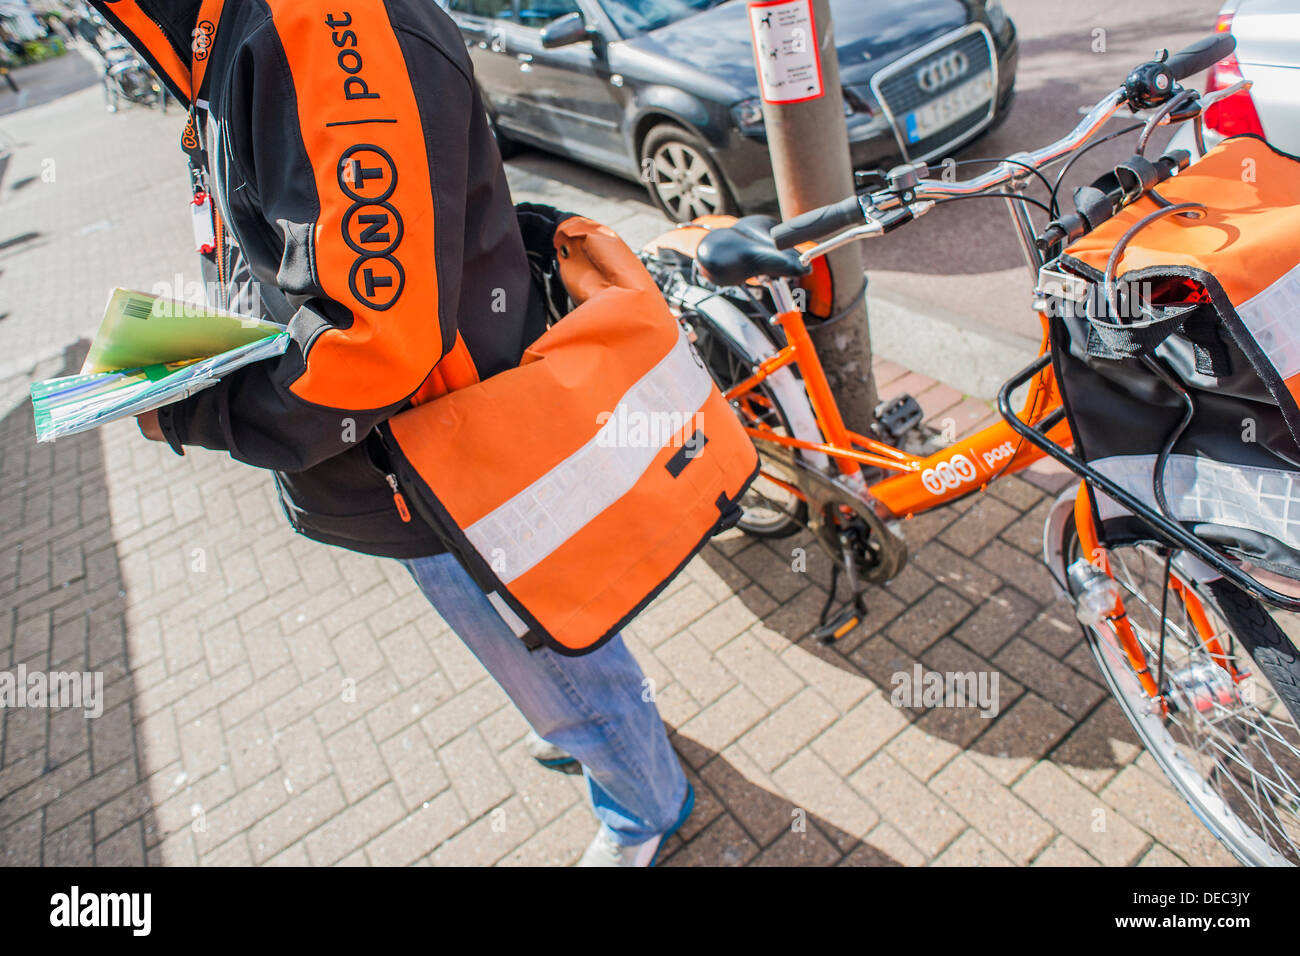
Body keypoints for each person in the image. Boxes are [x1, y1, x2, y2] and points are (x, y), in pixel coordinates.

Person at [91, 0, 692, 867]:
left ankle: (644, 797)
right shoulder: (247, 27)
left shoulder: (308, 23)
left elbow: (374, 340)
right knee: (541, 626)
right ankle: (596, 719)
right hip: (423, 446)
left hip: (444, 459)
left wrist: (190, 403)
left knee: (534, 634)